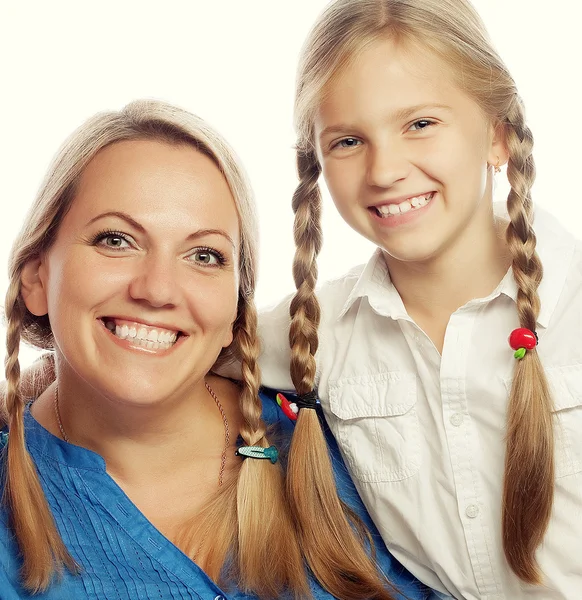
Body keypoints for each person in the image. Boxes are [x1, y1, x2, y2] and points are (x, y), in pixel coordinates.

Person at [0, 100, 438, 600]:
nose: (158, 288)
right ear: (35, 277)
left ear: (235, 312)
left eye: (204, 255)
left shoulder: (342, 437)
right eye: (116, 240)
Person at [254, 1, 582, 599]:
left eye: (420, 124)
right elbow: (191, 335)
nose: (385, 170)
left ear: (497, 135)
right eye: (349, 140)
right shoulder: (316, 332)